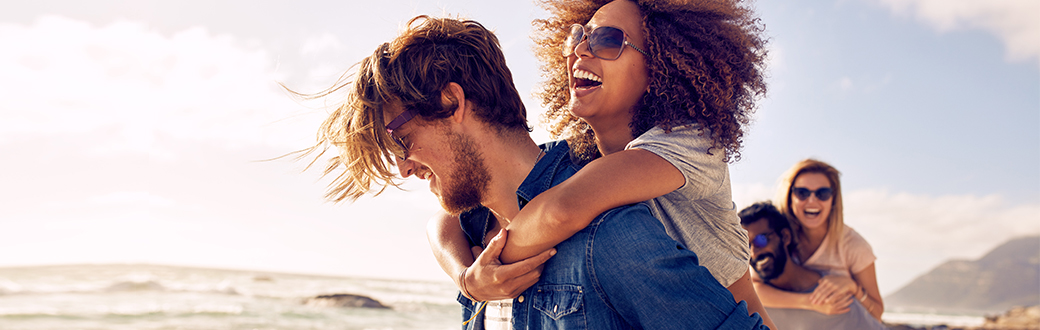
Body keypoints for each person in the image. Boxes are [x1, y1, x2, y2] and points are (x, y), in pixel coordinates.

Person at [311, 14, 768, 329]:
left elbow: (561, 210)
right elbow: (441, 225)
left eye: (401, 140)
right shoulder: (475, 237)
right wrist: (468, 278)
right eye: (579, 41)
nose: (404, 168)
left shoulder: (611, 231)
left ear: (452, 102)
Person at [752, 159, 884, 321]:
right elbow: (754, 289)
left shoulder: (853, 246)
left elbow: (877, 313)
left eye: (822, 193)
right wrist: (809, 302)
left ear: (833, 199)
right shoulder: (779, 236)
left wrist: (853, 287)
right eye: (802, 193)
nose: (812, 201)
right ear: (789, 196)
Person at [740, 202, 887, 329]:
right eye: (745, 246)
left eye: (761, 240)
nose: (753, 252)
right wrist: (810, 302)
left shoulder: (832, 293)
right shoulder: (754, 302)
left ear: (785, 236)